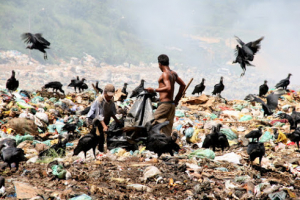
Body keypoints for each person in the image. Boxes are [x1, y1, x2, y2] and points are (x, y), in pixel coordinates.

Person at [145, 54, 186, 136]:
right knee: (166, 129)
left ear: (159, 64)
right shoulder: (173, 73)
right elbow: (183, 85)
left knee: (151, 124)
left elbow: (168, 88)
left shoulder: (165, 74)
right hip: (171, 105)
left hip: (164, 105)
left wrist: (153, 89)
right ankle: (166, 146)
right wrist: (176, 100)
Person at [86, 84, 120, 151]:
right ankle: (94, 150)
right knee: (96, 136)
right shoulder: (100, 100)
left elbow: (111, 112)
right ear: (104, 93)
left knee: (103, 136)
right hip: (93, 119)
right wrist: (104, 126)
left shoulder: (111, 100)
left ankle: (100, 150)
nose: (109, 98)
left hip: (104, 118)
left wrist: (116, 120)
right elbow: (99, 115)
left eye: (111, 96)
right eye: (108, 96)